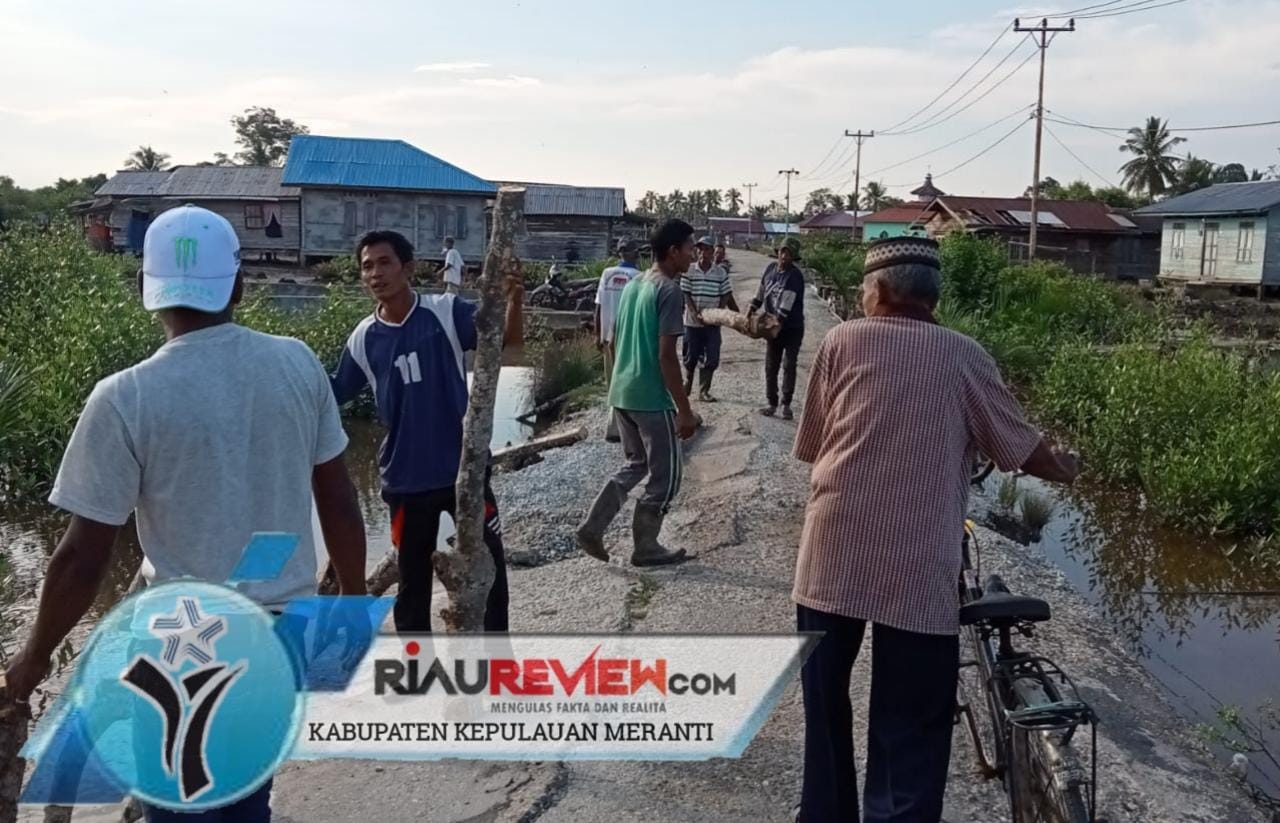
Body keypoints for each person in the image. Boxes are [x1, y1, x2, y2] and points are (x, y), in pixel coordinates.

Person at [2, 205, 368, 822]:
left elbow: (81, 558)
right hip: (280, 634)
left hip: (182, 644)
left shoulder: (126, 396)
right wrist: (350, 600)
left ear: (149, 291)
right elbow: (338, 497)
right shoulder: (297, 364)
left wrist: (34, 657)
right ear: (239, 284)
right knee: (247, 797)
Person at [790, 237, 1080, 823]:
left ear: (882, 291)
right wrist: (1069, 468)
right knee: (911, 714)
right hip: (919, 561)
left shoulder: (842, 340)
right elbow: (1021, 448)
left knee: (824, 701)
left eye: (865, 290)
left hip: (831, 552)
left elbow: (815, 443)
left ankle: (826, 814)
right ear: (929, 296)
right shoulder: (965, 354)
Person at [331, 230, 524, 633]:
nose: (375, 273)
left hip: (464, 474)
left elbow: (505, 341)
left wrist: (514, 299)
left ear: (408, 268)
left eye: (385, 263)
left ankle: (496, 662)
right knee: (412, 583)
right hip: (405, 480)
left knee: (490, 571)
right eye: (367, 266)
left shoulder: (445, 311)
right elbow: (332, 395)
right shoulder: (363, 338)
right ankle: (416, 672)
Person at [575, 219, 698, 567]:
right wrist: (684, 409)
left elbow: (615, 337)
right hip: (649, 396)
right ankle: (646, 547)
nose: (691, 254)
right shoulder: (669, 291)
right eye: (689, 248)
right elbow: (665, 356)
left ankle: (592, 527)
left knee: (635, 464)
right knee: (667, 475)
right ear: (673, 252)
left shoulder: (634, 285)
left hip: (621, 391)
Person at [749, 236, 805, 420]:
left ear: (794, 257)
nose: (784, 256)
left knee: (789, 365)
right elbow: (761, 290)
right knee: (771, 365)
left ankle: (786, 404)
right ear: (778, 253)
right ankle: (771, 402)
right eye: (783, 252)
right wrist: (751, 309)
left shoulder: (795, 277)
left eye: (789, 254)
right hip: (772, 325)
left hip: (791, 327)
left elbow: (786, 305)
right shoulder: (770, 269)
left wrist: (776, 324)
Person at [595, 238, 643, 442]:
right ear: (633, 254)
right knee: (628, 383)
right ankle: (623, 429)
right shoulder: (639, 277)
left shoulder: (607, 274)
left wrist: (598, 334)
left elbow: (598, 306)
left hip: (607, 337)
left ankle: (614, 428)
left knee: (612, 382)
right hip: (628, 340)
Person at [681, 236, 738, 402]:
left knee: (712, 356)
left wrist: (719, 311)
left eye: (706, 249)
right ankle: (687, 384)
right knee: (690, 355)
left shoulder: (720, 272)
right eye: (700, 249)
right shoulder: (689, 270)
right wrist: (693, 313)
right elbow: (686, 293)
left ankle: (704, 390)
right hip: (692, 323)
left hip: (712, 322)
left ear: (712, 252)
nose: (702, 252)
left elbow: (726, 293)